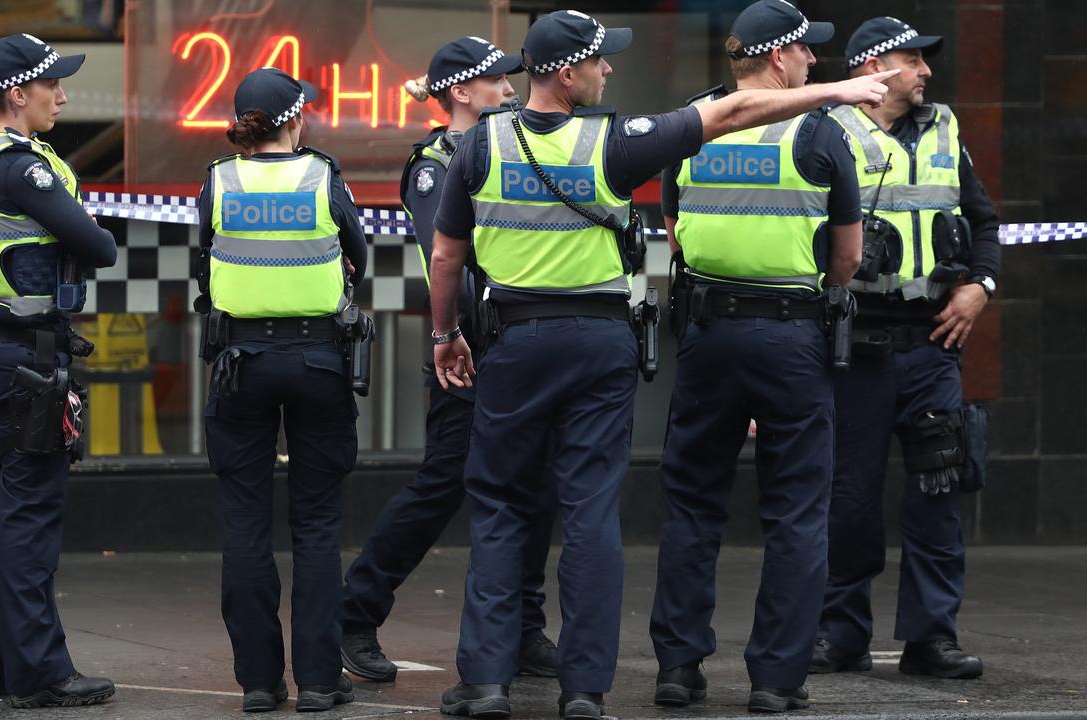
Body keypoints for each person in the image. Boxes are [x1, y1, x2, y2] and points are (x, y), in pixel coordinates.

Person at [428, 8, 897, 719]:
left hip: (526, 341)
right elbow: (834, 240)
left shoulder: (482, 144)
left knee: (502, 508)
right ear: (564, 71)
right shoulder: (616, 142)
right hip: (631, 342)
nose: (609, 67)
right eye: (597, 58)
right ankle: (594, 688)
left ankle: (498, 681)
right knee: (599, 512)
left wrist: (442, 335)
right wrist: (836, 94)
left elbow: (445, 256)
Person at [648, 1, 864, 713]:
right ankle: (776, 680)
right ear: (779, 58)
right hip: (791, 337)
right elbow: (848, 257)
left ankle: (678, 667)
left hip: (709, 333)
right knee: (797, 510)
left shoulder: (691, 124)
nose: (814, 63)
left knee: (692, 503)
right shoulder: (821, 132)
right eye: (807, 51)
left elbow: (674, 232)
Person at [339, 36, 561, 685]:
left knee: (537, 486)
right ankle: (354, 614)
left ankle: (524, 629)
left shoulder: (517, 147)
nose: (512, 90)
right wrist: (458, 332)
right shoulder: (435, 163)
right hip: (469, 348)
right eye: (497, 80)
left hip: (525, 343)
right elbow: (450, 254)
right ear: (462, 91)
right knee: (443, 485)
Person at [811, 16, 1000, 682]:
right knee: (849, 498)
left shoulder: (944, 129)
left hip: (931, 344)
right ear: (874, 67)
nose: (925, 71)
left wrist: (980, 285)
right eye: (913, 60)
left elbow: (983, 222)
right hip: (853, 347)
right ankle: (841, 633)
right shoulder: (826, 128)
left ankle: (930, 639)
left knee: (939, 490)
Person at [0, 33, 117, 708]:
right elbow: (98, 244)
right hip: (26, 356)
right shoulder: (22, 168)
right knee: (30, 513)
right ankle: (40, 672)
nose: (63, 95)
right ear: (18, 94)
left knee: (0, 509)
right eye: (53, 85)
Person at [194, 67, 369, 713]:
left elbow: (204, 261)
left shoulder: (218, 179)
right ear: (296, 119)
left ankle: (260, 684)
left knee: (244, 522)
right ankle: (321, 682)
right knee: (318, 525)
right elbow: (360, 252)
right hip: (319, 360)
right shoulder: (323, 175)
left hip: (240, 362)